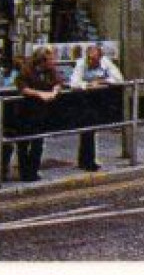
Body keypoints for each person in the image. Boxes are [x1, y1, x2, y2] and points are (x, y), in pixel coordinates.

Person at [67, 44, 122, 172]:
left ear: (100, 58)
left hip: (99, 100)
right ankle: (88, 161)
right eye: (89, 58)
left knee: (91, 130)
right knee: (88, 128)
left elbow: (118, 78)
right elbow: (74, 83)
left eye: (94, 59)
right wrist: (89, 85)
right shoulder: (81, 64)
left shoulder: (105, 62)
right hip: (83, 99)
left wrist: (102, 81)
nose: (91, 61)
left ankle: (87, 160)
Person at [13, 47, 63, 181]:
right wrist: (40, 94)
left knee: (38, 142)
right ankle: (24, 173)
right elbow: (22, 88)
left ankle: (33, 172)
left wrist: (54, 91)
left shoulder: (50, 70)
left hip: (40, 111)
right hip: (25, 110)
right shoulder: (27, 70)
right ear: (42, 61)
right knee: (23, 143)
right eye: (50, 59)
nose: (53, 62)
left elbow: (58, 82)